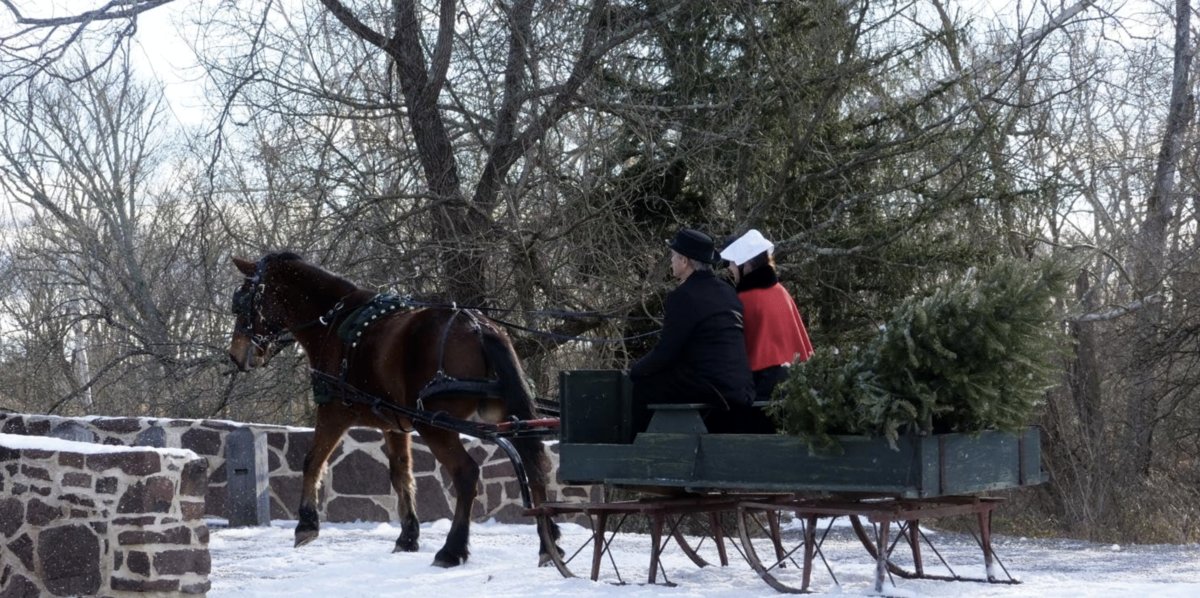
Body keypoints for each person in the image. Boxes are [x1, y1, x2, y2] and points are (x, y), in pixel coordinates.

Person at [629, 228, 755, 433]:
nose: (670, 261)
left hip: (712, 388)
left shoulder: (683, 296)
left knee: (645, 384)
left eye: (673, 256)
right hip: (741, 386)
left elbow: (666, 352)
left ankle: (639, 450)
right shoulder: (728, 291)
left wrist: (635, 371)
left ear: (684, 261)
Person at [720, 229, 814, 431]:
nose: (729, 268)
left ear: (746, 264)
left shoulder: (745, 299)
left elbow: (735, 353)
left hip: (764, 388)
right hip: (796, 382)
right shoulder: (781, 292)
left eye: (732, 263)